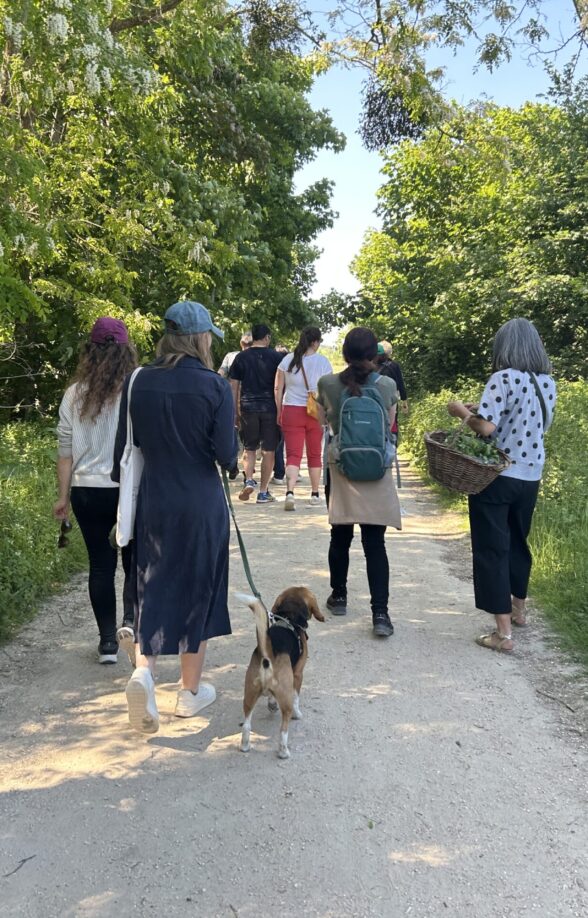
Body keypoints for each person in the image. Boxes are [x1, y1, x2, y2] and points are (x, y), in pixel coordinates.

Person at [113, 301, 237, 733]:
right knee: (198, 588)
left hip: (155, 500)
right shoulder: (214, 387)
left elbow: (125, 450)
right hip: (201, 503)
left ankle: (143, 673)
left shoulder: (138, 381)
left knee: (151, 584)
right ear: (201, 338)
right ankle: (189, 692)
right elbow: (227, 455)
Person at [448, 318, 556, 654]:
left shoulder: (502, 378)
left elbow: (487, 428)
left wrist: (461, 413)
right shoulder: (547, 382)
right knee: (518, 542)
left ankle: (503, 633)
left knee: (492, 548)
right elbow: (537, 424)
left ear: (504, 347)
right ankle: (519, 610)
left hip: (496, 476)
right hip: (531, 473)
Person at [54, 317, 137, 664]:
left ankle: (107, 644)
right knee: (134, 563)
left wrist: (62, 498)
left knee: (100, 566)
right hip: (126, 488)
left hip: (86, 490)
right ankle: (132, 626)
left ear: (90, 351)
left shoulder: (74, 394)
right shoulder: (136, 388)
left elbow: (65, 452)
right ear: (125, 351)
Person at [316, 328, 401, 638]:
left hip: (341, 469)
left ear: (345, 355)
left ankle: (338, 596)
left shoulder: (327, 384)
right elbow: (389, 424)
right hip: (375, 470)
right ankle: (380, 614)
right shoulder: (388, 384)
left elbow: (321, 421)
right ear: (374, 354)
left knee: (340, 537)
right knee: (375, 544)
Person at [274, 326, 332, 510]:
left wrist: (279, 410)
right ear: (315, 342)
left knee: (293, 454)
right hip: (315, 411)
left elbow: (278, 388)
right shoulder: (323, 362)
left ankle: (290, 492)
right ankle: (315, 494)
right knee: (314, 454)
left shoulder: (287, 360)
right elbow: (328, 391)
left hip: (291, 409)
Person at [229, 323, 283, 504]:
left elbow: (234, 386)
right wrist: (280, 409)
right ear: (267, 337)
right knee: (269, 451)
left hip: (247, 407)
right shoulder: (277, 358)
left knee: (249, 448)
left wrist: (235, 410)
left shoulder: (241, 358)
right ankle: (263, 492)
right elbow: (279, 386)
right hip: (270, 408)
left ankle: (249, 479)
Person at [377, 341, 408, 414]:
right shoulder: (394, 365)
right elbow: (401, 384)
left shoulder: (372, 365)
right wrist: (404, 401)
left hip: (376, 398)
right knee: (392, 421)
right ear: (390, 353)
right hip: (392, 399)